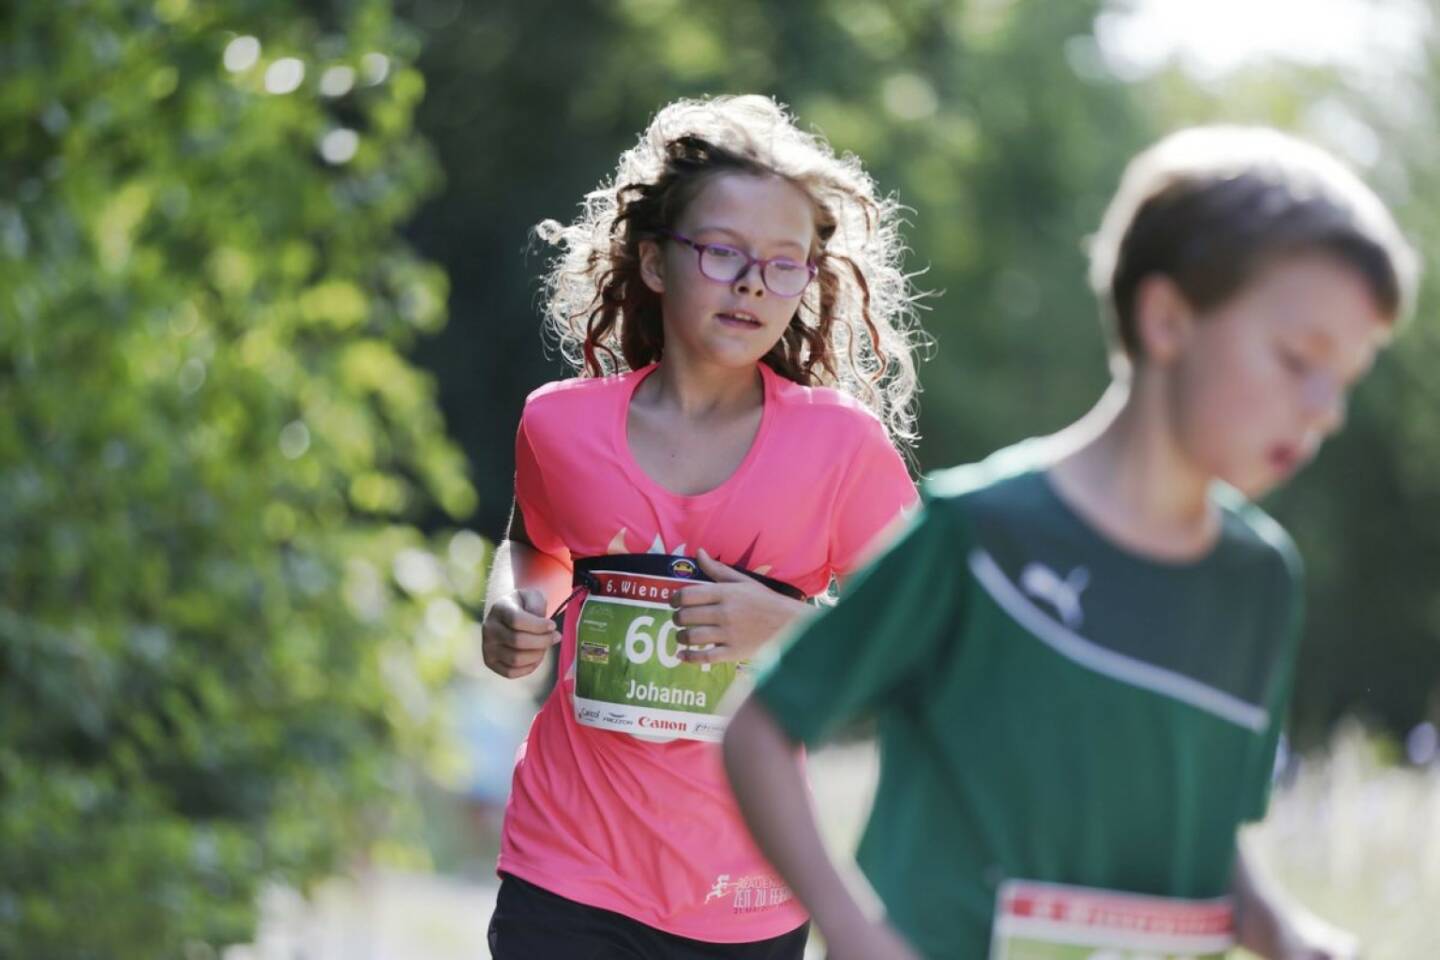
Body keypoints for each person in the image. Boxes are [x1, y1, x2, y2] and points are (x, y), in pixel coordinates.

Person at [724, 125, 1420, 960]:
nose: (1326, 408)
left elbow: (1205, 836)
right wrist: (853, 930)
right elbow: (760, 727)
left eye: (1343, 378)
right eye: (1297, 357)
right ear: (1167, 318)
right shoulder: (977, 531)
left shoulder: (1262, 580)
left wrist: (1287, 934)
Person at [481, 94, 926, 959]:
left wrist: (785, 627)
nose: (755, 282)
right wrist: (514, 605)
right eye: (723, 252)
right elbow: (536, 545)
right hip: (566, 862)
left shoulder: (842, 447)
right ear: (653, 260)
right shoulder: (559, 425)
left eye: (784, 262)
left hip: (746, 886)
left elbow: (923, 645)